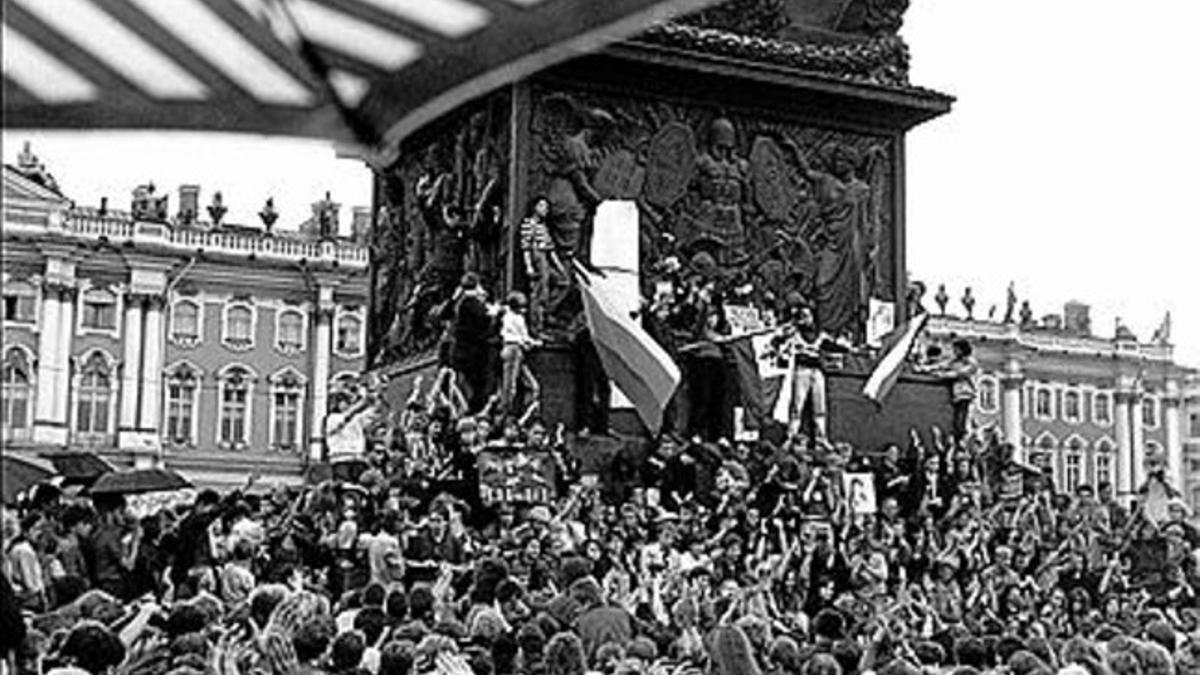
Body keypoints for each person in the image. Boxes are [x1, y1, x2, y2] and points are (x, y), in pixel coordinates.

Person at [499, 291, 542, 414]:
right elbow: (523, 337)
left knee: (531, 385)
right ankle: (505, 413)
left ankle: (526, 412)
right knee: (509, 387)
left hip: (511, 349)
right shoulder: (517, 319)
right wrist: (534, 343)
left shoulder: (506, 315)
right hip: (514, 349)